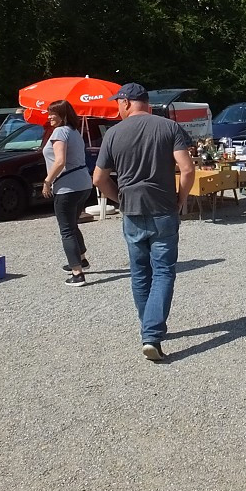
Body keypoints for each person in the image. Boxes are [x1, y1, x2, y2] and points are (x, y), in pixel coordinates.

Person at [93, 83, 195, 362]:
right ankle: (152, 334)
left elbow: (99, 179)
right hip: (163, 207)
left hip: (132, 210)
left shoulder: (113, 133)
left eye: (117, 102)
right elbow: (187, 169)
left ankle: (148, 328)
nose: (117, 107)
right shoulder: (168, 127)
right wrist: (181, 199)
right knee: (163, 272)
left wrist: (118, 200)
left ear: (127, 102)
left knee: (139, 273)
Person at [41, 100, 94, 287]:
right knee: (72, 224)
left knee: (66, 229)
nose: (49, 117)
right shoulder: (74, 132)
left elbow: (60, 161)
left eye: (52, 113)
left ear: (62, 115)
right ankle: (81, 259)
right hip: (83, 185)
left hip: (67, 187)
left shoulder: (60, 132)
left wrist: (47, 181)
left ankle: (77, 273)